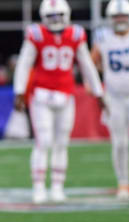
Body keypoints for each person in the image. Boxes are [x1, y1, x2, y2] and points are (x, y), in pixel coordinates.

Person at [13, 0, 104, 204]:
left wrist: (98, 91)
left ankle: (57, 187)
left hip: (65, 94)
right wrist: (19, 91)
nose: (55, 20)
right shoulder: (36, 34)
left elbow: (87, 65)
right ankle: (38, 187)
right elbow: (24, 63)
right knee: (43, 141)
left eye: (58, 16)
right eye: (51, 16)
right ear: (44, 17)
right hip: (42, 94)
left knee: (62, 142)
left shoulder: (76, 34)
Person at [91, 0, 129, 200]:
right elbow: (92, 63)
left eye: (123, 16)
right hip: (114, 97)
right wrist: (100, 83)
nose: (120, 20)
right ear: (110, 19)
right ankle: (123, 183)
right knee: (119, 143)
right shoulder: (103, 37)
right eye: (116, 17)